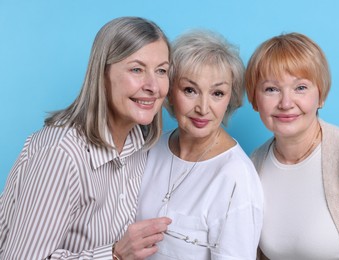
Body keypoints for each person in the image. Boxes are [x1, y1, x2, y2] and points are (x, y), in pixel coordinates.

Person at [0, 16, 172, 259]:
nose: (154, 86)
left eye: (162, 71)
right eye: (136, 69)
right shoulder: (60, 153)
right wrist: (114, 255)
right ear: (102, 74)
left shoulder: (141, 146)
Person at [245, 32, 339, 260]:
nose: (286, 103)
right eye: (271, 89)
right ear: (255, 100)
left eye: (300, 87)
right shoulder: (254, 164)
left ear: (321, 95)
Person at [136, 30, 263, 259]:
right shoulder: (151, 148)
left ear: (229, 98)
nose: (203, 108)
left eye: (217, 93)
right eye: (190, 90)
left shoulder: (236, 177)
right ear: (170, 91)